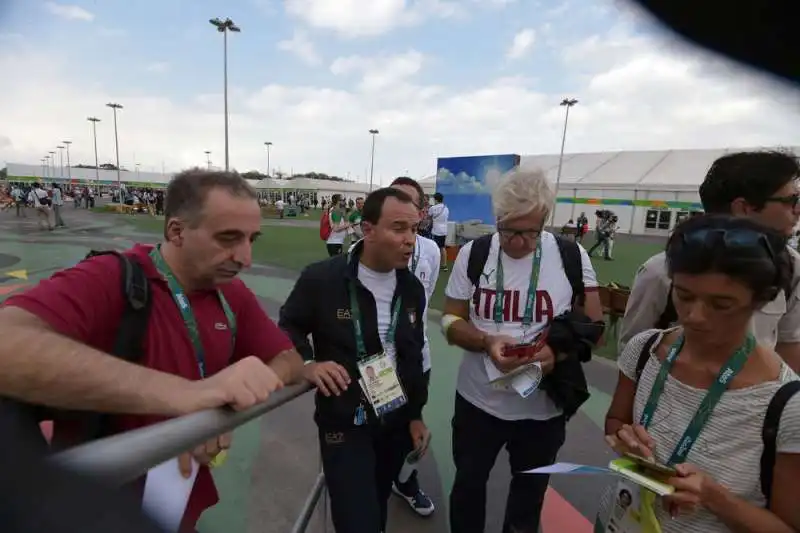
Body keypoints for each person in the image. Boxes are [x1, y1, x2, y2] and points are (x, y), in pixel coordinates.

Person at [0, 168, 305, 532]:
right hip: (91, 505)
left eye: (252, 239)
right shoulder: (110, 276)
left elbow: (289, 360)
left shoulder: (232, 294)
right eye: (228, 238)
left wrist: (239, 394)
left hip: (179, 500)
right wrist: (187, 395)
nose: (245, 257)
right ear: (175, 231)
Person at [602, 214, 800, 533]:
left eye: (721, 304)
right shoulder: (645, 350)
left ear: (761, 300)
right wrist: (625, 439)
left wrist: (713, 497)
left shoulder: (787, 404)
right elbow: (616, 421)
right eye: (684, 295)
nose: (695, 316)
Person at [442, 167, 604, 533]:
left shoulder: (570, 256)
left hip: (541, 409)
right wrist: (485, 341)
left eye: (529, 232)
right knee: (468, 486)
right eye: (508, 230)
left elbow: (595, 328)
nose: (516, 242)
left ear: (545, 220)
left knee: (529, 494)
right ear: (496, 219)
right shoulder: (475, 253)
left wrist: (556, 356)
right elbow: (450, 320)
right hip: (477, 401)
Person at [280, 187, 430, 533]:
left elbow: (411, 357)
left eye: (414, 230)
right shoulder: (321, 279)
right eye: (398, 229)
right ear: (368, 230)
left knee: (376, 510)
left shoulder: (412, 289)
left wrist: (415, 416)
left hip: (393, 421)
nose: (410, 240)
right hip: (345, 423)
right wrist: (307, 366)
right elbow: (289, 326)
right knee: (356, 521)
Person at [619, 150, 800, 371]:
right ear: (744, 208)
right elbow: (633, 351)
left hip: (754, 403)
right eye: (791, 200)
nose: (797, 210)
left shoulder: (793, 269)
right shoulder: (662, 271)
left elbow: (789, 350)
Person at [388, 176, 440, 516]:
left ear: (421, 213)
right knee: (373, 432)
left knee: (412, 427)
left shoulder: (432, 251)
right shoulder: (359, 251)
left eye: (411, 204)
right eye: (395, 201)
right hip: (376, 364)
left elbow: (426, 298)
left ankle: (404, 481)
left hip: (416, 359)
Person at [428, 192, 449, 270]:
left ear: (435, 199)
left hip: (436, 231)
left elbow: (428, 216)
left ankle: (435, 264)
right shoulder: (446, 208)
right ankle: (444, 265)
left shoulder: (433, 208)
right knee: (442, 247)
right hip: (444, 231)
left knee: (435, 248)